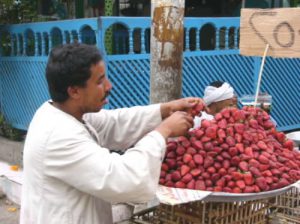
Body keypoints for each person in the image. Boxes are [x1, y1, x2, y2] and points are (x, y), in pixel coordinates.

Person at [20, 43, 202, 224]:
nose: (109, 85)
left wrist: (164, 109)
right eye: (99, 81)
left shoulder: (65, 112)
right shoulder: (58, 136)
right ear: (74, 91)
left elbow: (114, 123)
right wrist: (164, 130)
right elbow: (124, 179)